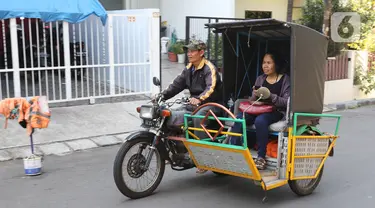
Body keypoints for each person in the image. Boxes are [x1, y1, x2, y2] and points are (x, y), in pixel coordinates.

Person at [160, 39, 223, 173]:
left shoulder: (209, 68)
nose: (189, 54)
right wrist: (162, 96)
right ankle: (175, 147)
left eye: (192, 51)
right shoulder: (189, 68)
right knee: (171, 114)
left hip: (212, 104)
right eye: (188, 51)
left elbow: (210, 88)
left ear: (201, 52)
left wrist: (199, 99)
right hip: (195, 103)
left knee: (198, 117)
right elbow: (176, 85)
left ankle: (203, 157)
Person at [228, 52, 290, 170]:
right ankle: (234, 150)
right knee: (241, 117)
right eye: (263, 63)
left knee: (260, 121)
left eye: (269, 63)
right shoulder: (260, 79)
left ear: (276, 65)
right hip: (257, 108)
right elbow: (253, 100)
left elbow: (286, 102)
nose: (265, 66)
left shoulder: (285, 80)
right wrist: (255, 96)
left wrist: (271, 96)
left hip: (275, 111)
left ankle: (261, 156)